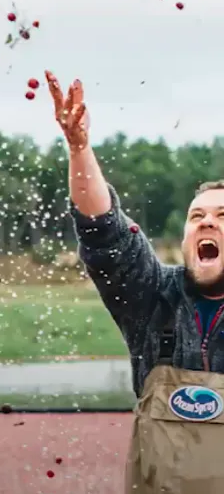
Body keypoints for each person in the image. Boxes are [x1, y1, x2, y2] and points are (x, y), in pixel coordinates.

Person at [47, 71, 224, 492]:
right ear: (184, 237)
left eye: (222, 217)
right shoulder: (154, 297)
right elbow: (104, 231)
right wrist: (79, 148)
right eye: (197, 216)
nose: (207, 224)